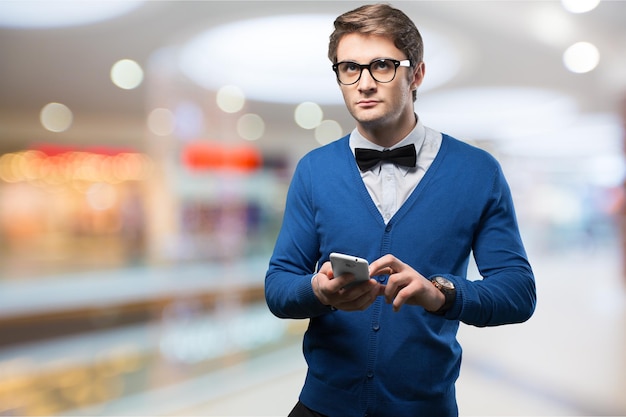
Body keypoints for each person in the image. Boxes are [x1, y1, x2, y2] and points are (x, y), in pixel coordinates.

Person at [264, 4, 537, 417]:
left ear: (417, 74)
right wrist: (318, 292)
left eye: (382, 66)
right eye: (349, 68)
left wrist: (440, 295)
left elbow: (518, 292)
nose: (364, 83)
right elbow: (278, 285)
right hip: (321, 407)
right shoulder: (314, 171)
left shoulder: (478, 171)